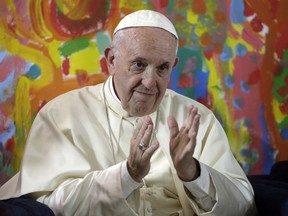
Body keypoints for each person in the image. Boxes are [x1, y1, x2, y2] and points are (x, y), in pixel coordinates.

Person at [0, 10, 256, 215]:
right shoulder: (62, 114)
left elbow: (242, 205)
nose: (149, 81)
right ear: (111, 60)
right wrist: (128, 175)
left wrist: (192, 172)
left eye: (162, 68)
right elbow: (49, 207)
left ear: (173, 67)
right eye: (139, 64)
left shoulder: (195, 117)